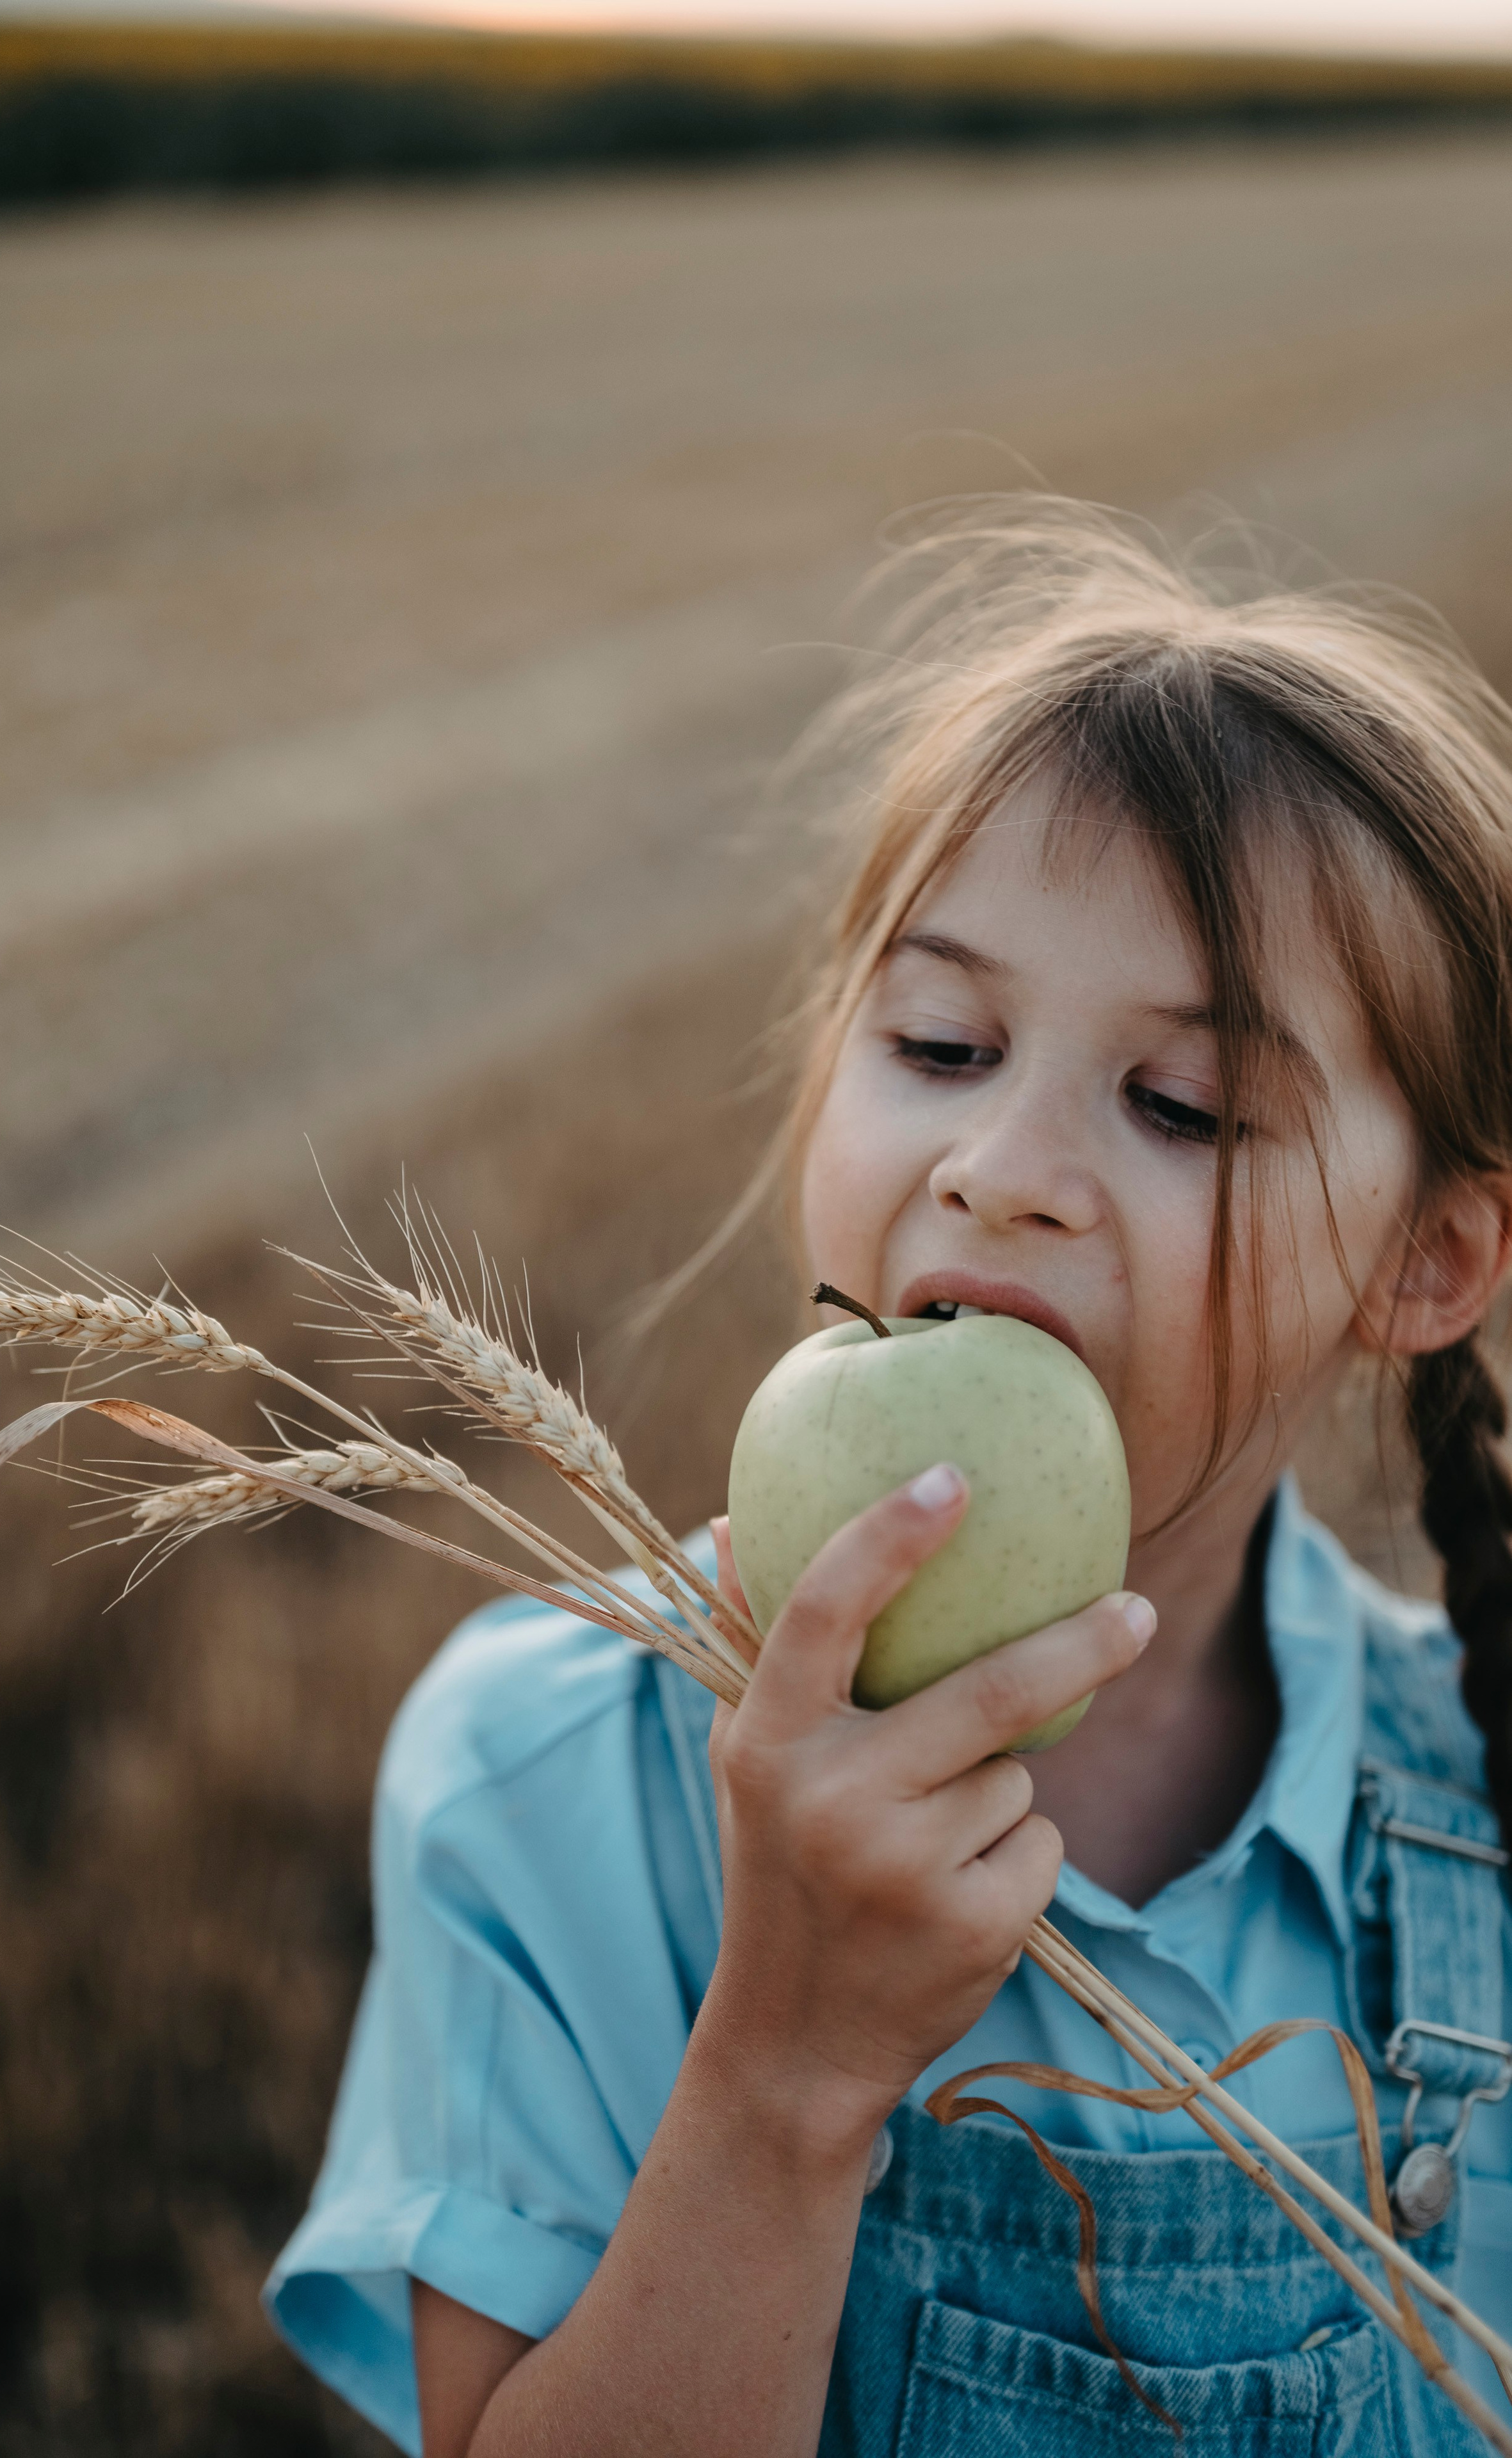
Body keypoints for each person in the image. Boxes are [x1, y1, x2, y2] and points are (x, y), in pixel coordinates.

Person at [266, 501, 1512, 2455]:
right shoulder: (549, 1781)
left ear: (1424, 1262)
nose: (1000, 1168)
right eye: (940, 1043)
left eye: (1182, 1103)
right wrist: (785, 2071)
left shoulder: (1483, 1796)